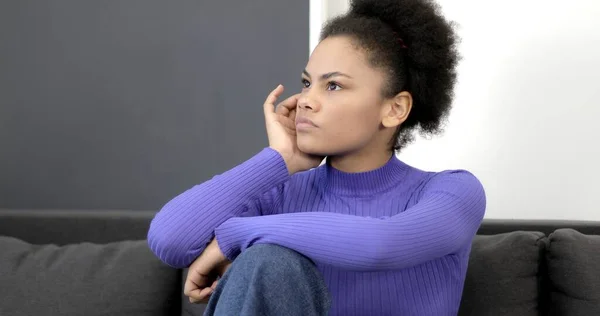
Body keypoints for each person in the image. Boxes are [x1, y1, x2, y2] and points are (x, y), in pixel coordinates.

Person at [147, 0, 486, 315]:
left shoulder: (452, 192)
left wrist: (234, 235)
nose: (306, 100)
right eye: (306, 83)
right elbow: (169, 240)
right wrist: (279, 160)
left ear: (394, 109)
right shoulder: (283, 195)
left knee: (266, 260)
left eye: (333, 86)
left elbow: (381, 243)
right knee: (266, 262)